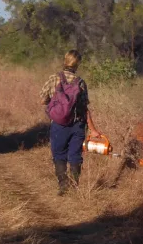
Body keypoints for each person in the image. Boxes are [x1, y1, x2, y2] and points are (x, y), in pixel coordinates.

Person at [40, 50, 101, 196]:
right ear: (77, 64)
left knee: (59, 154)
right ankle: (74, 186)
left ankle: (63, 186)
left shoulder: (54, 78)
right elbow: (84, 108)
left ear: (65, 60)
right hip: (77, 124)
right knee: (75, 155)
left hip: (59, 124)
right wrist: (93, 130)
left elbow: (43, 99)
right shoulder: (80, 82)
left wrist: (55, 107)